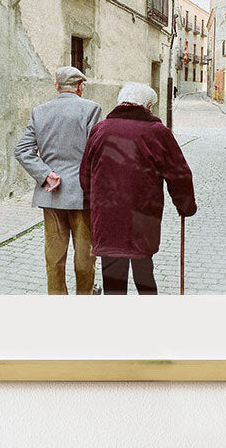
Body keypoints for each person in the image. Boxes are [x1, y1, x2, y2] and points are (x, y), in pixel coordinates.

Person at [79, 82, 196, 295]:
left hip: (108, 217)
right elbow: (179, 174)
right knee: (144, 272)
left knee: (113, 277)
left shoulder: (100, 130)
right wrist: (185, 205)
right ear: (148, 107)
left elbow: (85, 174)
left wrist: (92, 202)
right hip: (142, 217)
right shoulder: (157, 132)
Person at [14, 66, 103, 295]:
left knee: (54, 256)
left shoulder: (40, 111)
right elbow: (97, 152)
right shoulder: (91, 109)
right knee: (85, 256)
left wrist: (45, 174)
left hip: (51, 193)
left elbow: (22, 150)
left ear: (56, 86)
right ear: (80, 87)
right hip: (82, 195)